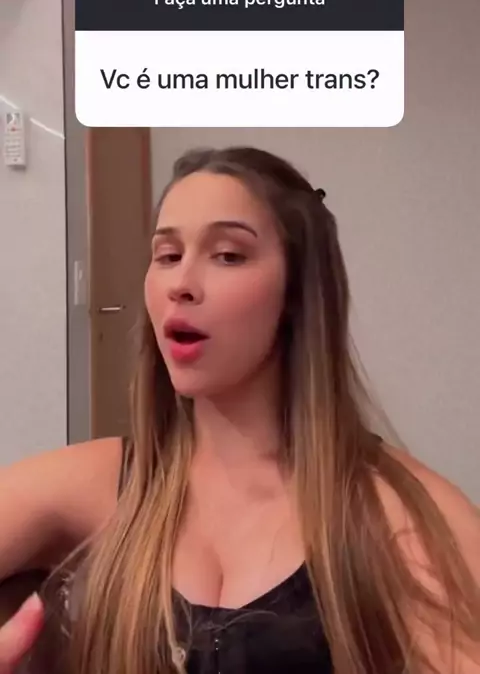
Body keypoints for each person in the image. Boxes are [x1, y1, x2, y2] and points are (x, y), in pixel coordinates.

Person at [0, 145, 479, 674]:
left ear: (297, 292)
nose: (182, 284)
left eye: (228, 255)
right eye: (167, 255)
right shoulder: (95, 485)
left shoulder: (398, 515)